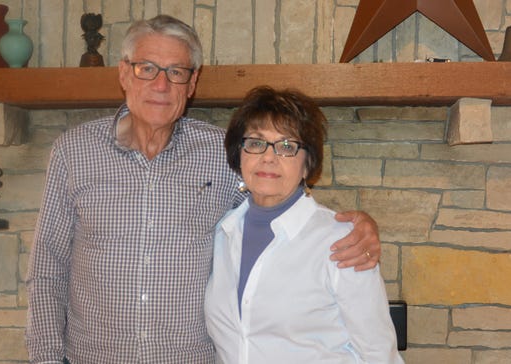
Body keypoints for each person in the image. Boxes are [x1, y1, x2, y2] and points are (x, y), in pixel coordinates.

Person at [25, 15, 382, 364]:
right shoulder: (74, 152)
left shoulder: (220, 153)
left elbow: (277, 201)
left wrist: (354, 225)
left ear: (192, 83)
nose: (161, 85)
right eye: (146, 68)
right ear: (123, 73)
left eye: (176, 72)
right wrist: (45, 358)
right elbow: (47, 267)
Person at [205, 86, 402, 363]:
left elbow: (378, 353)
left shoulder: (342, 241)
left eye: (287, 146)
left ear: (308, 165)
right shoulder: (222, 232)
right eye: (256, 142)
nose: (268, 157)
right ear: (239, 156)